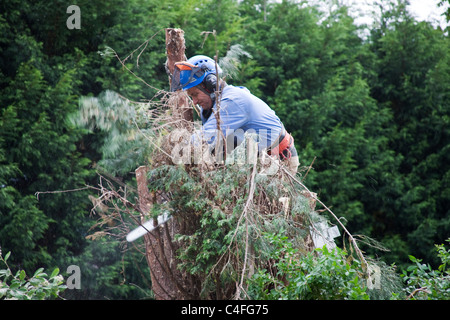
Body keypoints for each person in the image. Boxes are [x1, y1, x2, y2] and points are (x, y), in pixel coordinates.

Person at [170, 55, 299, 174]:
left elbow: (202, 140)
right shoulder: (212, 107)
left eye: (195, 94)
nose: (195, 101)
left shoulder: (233, 101)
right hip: (256, 160)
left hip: (279, 161)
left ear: (210, 84)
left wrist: (169, 153)